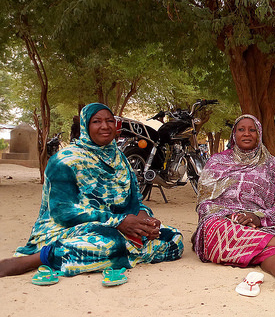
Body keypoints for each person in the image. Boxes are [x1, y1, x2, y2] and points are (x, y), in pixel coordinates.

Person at [0, 103, 184, 280]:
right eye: (97, 121)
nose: (105, 126)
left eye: (110, 121)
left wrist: (145, 222)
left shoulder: (120, 159)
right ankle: (39, 257)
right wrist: (119, 222)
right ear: (85, 126)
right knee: (110, 243)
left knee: (173, 239)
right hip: (67, 229)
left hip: (120, 227)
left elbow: (135, 199)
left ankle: (121, 253)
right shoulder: (65, 160)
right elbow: (63, 213)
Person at [191, 114, 275, 289]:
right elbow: (204, 202)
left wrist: (258, 217)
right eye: (241, 129)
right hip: (224, 223)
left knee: (260, 248)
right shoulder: (216, 162)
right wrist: (232, 216)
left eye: (252, 130)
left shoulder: (273, 166)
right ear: (234, 134)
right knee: (214, 230)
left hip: (261, 226)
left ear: (259, 134)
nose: (246, 134)